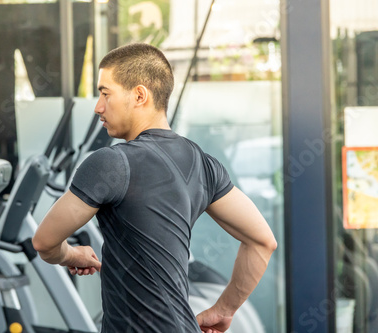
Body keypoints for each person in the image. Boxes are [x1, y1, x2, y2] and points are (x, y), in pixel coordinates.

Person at [32, 43, 277, 333]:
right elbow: (263, 242)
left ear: (139, 95)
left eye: (105, 93)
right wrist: (224, 310)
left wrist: (72, 255)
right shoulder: (202, 163)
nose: (98, 106)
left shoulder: (111, 162)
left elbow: (44, 243)